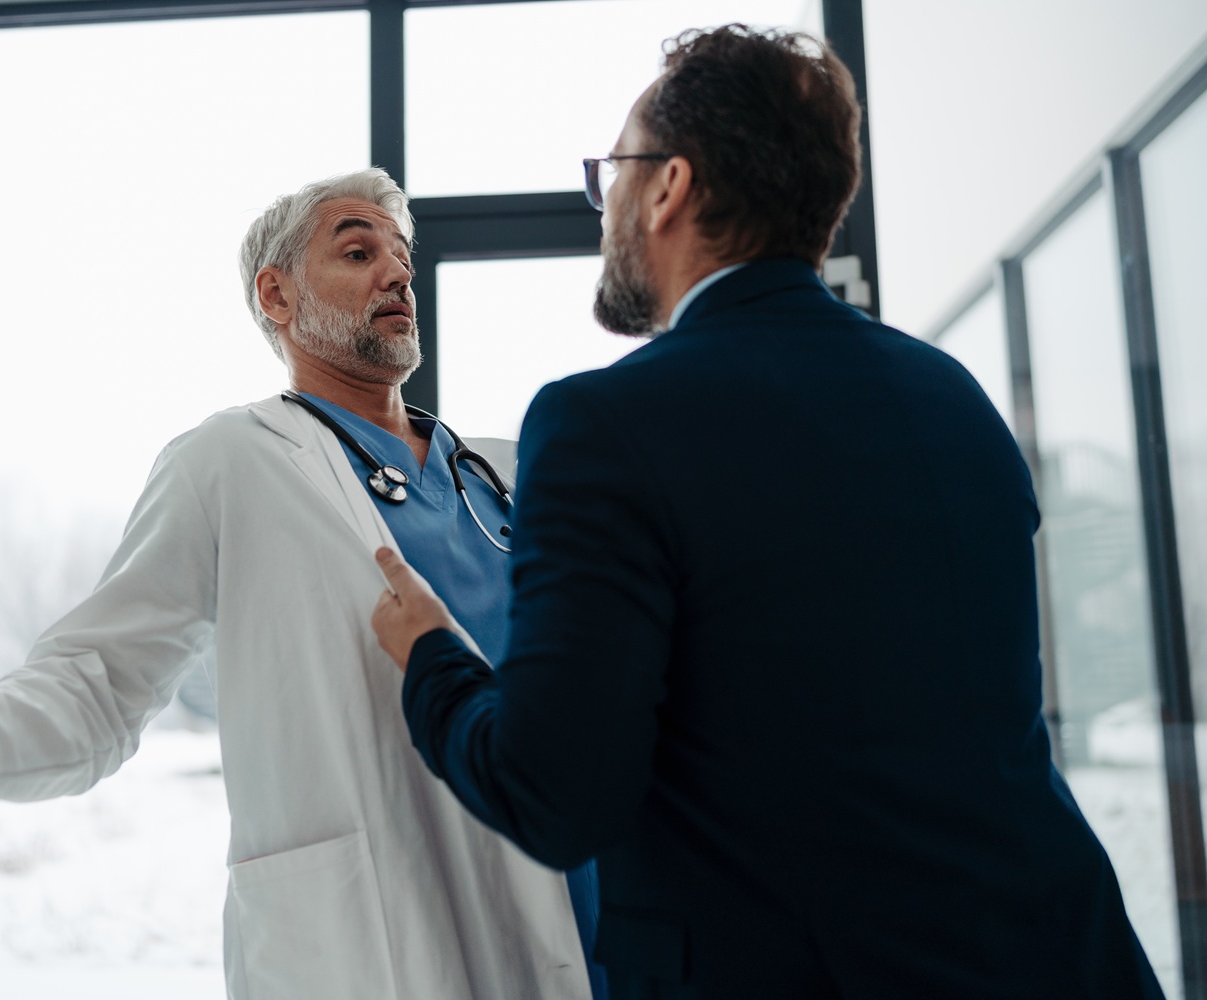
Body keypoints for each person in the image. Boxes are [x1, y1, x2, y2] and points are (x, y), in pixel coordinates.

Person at [368, 25, 1166, 1000]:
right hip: (1063, 960)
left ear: (668, 187)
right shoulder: (950, 398)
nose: (605, 201)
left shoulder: (603, 423)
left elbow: (555, 792)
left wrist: (432, 653)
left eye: (612, 170)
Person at [0, 168, 600, 1000]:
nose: (397, 274)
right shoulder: (232, 462)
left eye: (402, 258)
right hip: (383, 936)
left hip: (585, 902)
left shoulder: (507, 471)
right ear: (277, 295)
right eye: (358, 252)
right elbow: (100, 681)